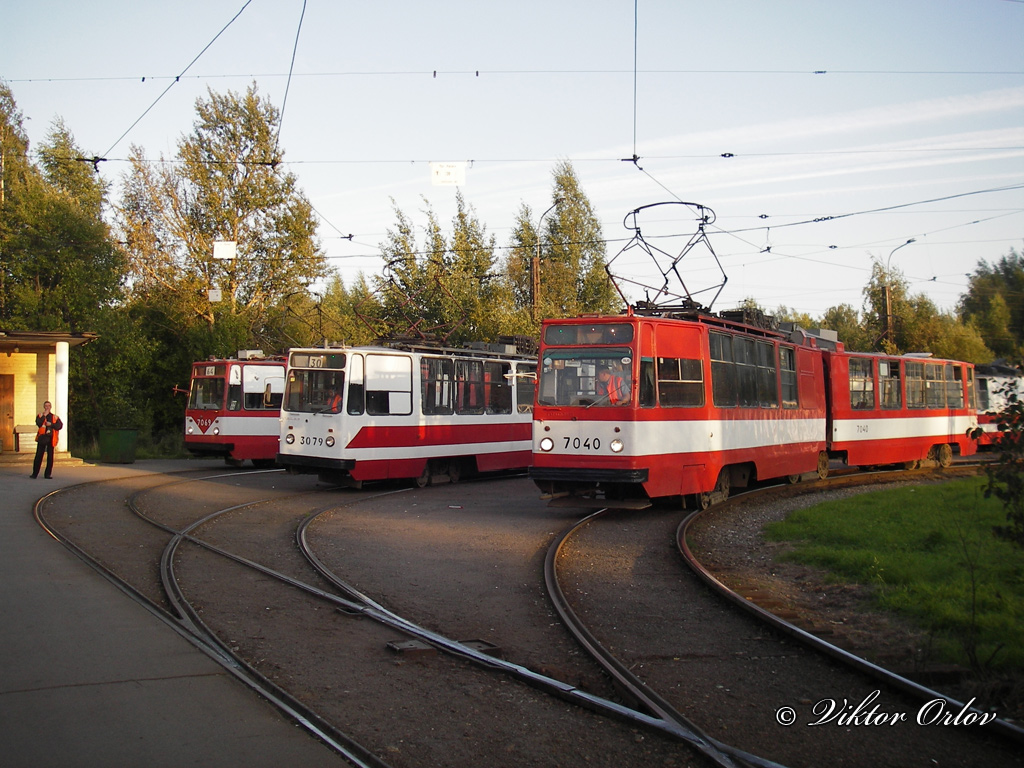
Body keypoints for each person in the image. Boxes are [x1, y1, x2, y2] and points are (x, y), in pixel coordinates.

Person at [31, 400, 63, 479]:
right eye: (46, 406)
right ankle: (35, 474)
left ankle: (47, 474)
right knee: (38, 456)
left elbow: (59, 426)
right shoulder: (40, 415)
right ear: (44, 407)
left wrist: (51, 424)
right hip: (42, 438)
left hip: (51, 439)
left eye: (48, 406)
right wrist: (44, 416)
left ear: (51, 407)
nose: (47, 407)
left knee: (50, 457)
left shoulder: (55, 417)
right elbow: (38, 423)